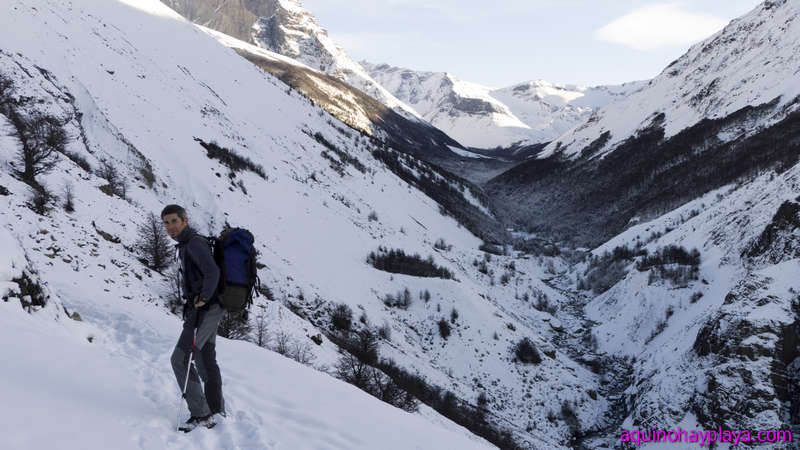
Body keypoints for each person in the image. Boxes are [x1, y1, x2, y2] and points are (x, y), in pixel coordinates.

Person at [162, 204, 225, 431]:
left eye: (174, 221)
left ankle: (202, 413)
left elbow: (213, 272)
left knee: (180, 359)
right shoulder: (186, 244)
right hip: (204, 309)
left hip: (206, 310)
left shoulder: (194, 243)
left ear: (184, 221)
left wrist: (204, 297)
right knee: (205, 356)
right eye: (166, 223)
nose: (170, 227)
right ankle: (216, 408)